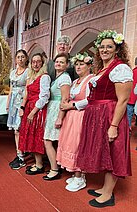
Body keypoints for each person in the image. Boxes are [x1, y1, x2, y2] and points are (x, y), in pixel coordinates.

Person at [76, 30, 132, 208]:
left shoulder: (120, 68)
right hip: (97, 116)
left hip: (109, 115)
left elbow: (123, 100)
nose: (104, 49)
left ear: (117, 49)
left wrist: (114, 125)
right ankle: (104, 188)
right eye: (102, 47)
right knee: (105, 152)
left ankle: (108, 194)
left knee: (113, 152)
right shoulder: (103, 69)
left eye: (109, 47)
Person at [56, 52, 93, 191]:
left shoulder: (90, 80)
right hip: (71, 117)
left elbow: (89, 100)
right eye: (76, 64)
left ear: (89, 66)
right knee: (70, 144)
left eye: (81, 64)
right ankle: (77, 175)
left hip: (81, 116)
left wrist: (71, 105)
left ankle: (80, 177)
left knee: (78, 145)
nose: (78, 67)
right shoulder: (74, 81)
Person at [18, 53, 51, 175]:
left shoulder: (44, 77)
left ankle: (39, 165)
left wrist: (32, 112)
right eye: (33, 62)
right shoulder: (32, 76)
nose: (36, 64)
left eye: (38, 61)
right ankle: (37, 162)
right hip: (30, 108)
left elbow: (44, 97)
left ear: (42, 63)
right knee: (31, 135)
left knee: (36, 135)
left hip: (38, 109)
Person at [43, 53, 72, 181]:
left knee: (48, 140)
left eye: (61, 62)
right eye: (57, 62)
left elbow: (65, 99)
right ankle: (57, 166)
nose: (58, 64)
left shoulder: (65, 78)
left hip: (57, 110)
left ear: (67, 65)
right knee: (51, 140)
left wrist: (60, 117)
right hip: (52, 108)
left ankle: (54, 169)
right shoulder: (57, 77)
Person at [6, 49, 29, 169]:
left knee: (18, 130)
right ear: (15, 59)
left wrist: (23, 106)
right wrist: (7, 103)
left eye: (22, 57)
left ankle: (21, 156)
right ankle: (19, 153)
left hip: (21, 102)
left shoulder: (28, 72)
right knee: (15, 130)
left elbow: (28, 90)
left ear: (26, 59)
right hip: (13, 103)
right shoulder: (13, 72)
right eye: (18, 57)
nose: (20, 59)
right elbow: (10, 90)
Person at [126, 57, 137, 132]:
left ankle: (127, 131)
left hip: (130, 97)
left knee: (128, 117)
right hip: (134, 98)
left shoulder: (132, 72)